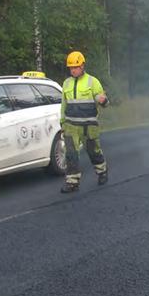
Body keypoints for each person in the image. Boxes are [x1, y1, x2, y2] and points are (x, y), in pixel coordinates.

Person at [60, 50, 109, 193]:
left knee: (93, 151)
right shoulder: (66, 83)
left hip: (89, 125)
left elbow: (105, 102)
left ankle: (102, 171)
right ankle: (72, 182)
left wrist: (103, 100)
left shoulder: (92, 82)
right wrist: (62, 122)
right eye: (70, 68)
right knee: (71, 153)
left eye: (75, 67)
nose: (73, 70)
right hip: (71, 124)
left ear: (82, 66)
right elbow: (64, 104)